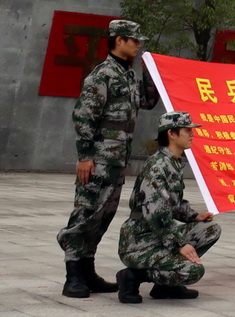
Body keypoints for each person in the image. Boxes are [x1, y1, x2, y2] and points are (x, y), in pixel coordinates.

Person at [59, 18, 159, 298]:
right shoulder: (102, 74)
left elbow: (148, 102)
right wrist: (85, 156)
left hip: (117, 160)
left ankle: (87, 270)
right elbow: (83, 116)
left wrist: (150, 73)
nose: (138, 45)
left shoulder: (128, 75)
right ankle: (73, 275)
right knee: (86, 214)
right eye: (134, 40)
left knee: (103, 216)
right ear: (119, 40)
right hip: (99, 159)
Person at [115, 111, 220, 303]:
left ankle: (165, 287)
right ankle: (132, 277)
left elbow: (174, 204)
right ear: (171, 134)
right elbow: (156, 214)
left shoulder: (173, 162)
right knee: (193, 270)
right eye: (187, 130)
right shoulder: (158, 166)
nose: (192, 134)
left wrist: (194, 217)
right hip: (140, 240)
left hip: (157, 234)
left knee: (210, 229)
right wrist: (179, 245)